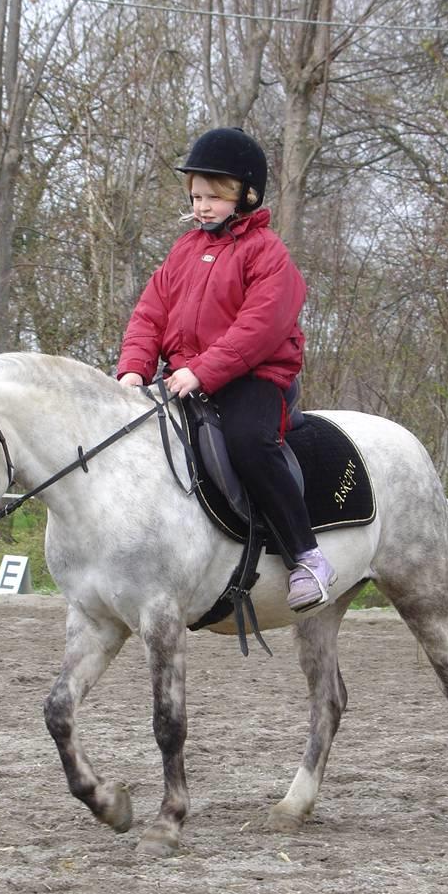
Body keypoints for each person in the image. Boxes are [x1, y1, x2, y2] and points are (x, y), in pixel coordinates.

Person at [116, 126, 336, 613]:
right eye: (196, 196)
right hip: (185, 378)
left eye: (214, 197)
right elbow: (150, 315)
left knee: (247, 442)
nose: (202, 206)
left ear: (247, 195)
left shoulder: (268, 253)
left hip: (252, 379)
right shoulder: (183, 251)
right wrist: (133, 369)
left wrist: (202, 371)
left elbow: (259, 327)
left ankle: (307, 556)